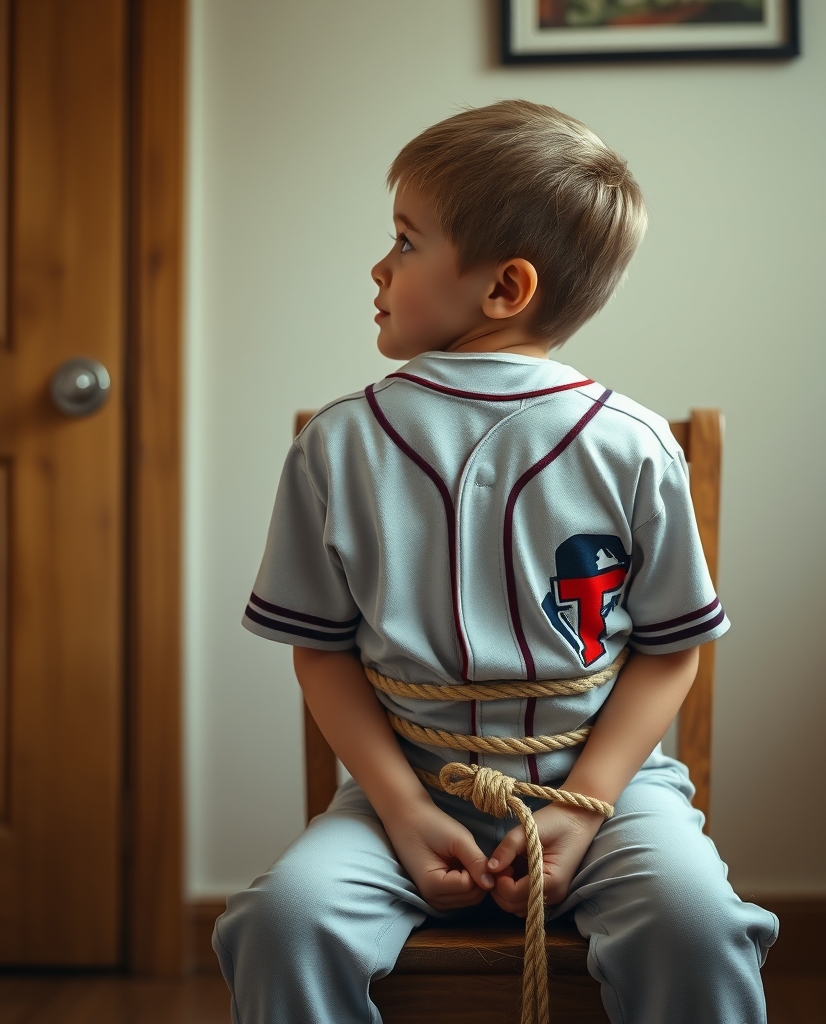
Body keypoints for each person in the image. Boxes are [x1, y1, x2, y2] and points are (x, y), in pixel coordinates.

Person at [214, 99, 778, 1024]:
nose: (378, 265)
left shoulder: (634, 445)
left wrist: (587, 804)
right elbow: (321, 649)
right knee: (281, 922)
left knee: (696, 923)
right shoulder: (339, 443)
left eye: (405, 240)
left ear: (505, 289)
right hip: (408, 785)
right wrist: (399, 807)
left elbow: (673, 647)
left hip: (607, 789)